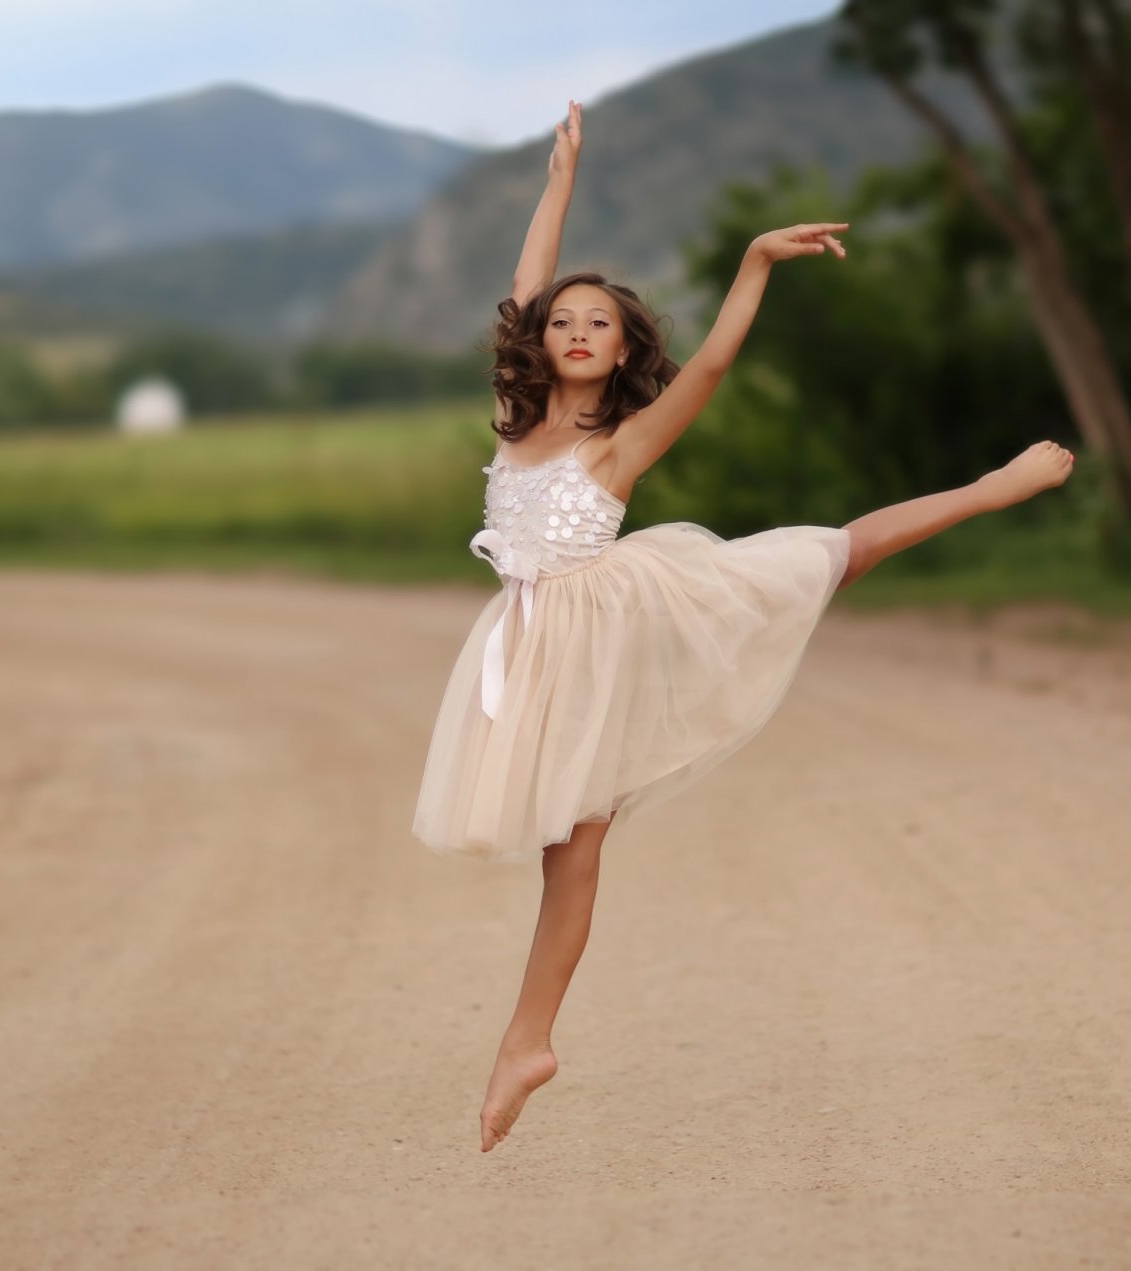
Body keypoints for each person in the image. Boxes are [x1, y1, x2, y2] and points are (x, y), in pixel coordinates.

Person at [411, 101, 1075, 1151]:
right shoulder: (516, 415)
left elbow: (712, 366)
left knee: (825, 556)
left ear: (624, 348)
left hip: (608, 627)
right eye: (561, 322)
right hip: (526, 644)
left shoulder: (620, 443)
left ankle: (990, 487)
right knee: (563, 850)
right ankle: (529, 1042)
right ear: (538, 343)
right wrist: (559, 178)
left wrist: (756, 261)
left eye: (600, 324)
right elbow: (523, 283)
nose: (576, 331)